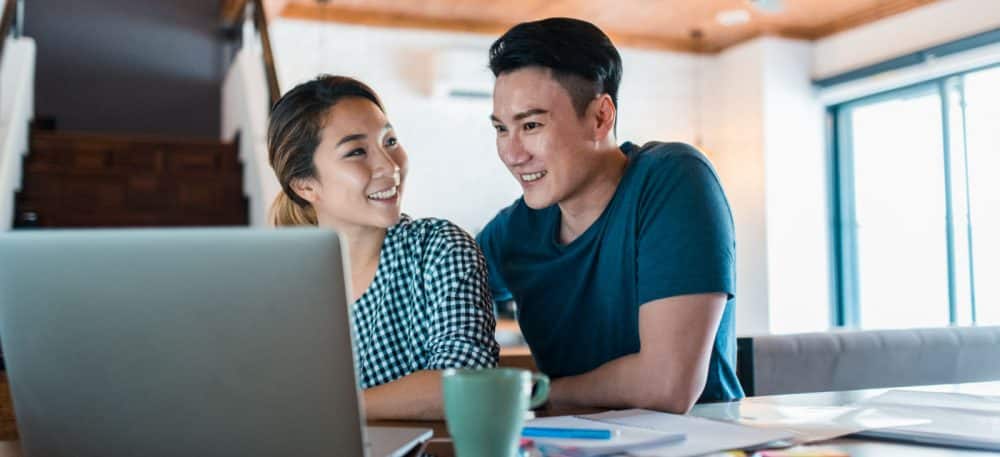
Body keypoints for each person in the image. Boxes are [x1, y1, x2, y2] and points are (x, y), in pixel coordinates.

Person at [477, 18, 744, 414]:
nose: (513, 154)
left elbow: (667, 387)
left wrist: (537, 394)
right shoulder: (511, 232)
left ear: (600, 117)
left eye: (531, 125)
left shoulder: (673, 179)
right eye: (502, 129)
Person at [268, 75, 499, 420]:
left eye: (389, 141)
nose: (389, 166)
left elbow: (467, 384)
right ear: (305, 186)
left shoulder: (438, 248)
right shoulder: (283, 286)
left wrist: (333, 409)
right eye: (357, 151)